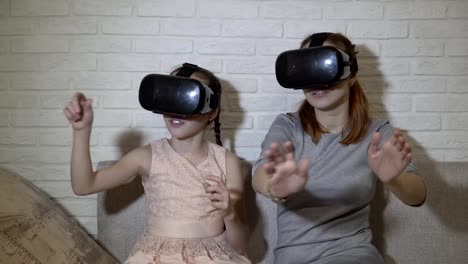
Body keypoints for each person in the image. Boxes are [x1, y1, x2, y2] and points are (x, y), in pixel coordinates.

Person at [252, 32, 427, 264]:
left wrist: (393, 179)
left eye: (325, 65)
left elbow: (418, 196)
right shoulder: (288, 125)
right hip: (293, 257)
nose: (316, 81)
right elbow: (261, 174)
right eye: (307, 69)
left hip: (352, 255)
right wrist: (275, 187)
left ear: (351, 75)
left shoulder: (376, 132)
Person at [63, 63, 251, 264]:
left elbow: (240, 247)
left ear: (212, 112)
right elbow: (84, 186)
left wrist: (230, 214)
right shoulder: (147, 156)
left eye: (186, 98)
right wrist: (81, 131)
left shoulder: (226, 161)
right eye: (169, 97)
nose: (175, 110)